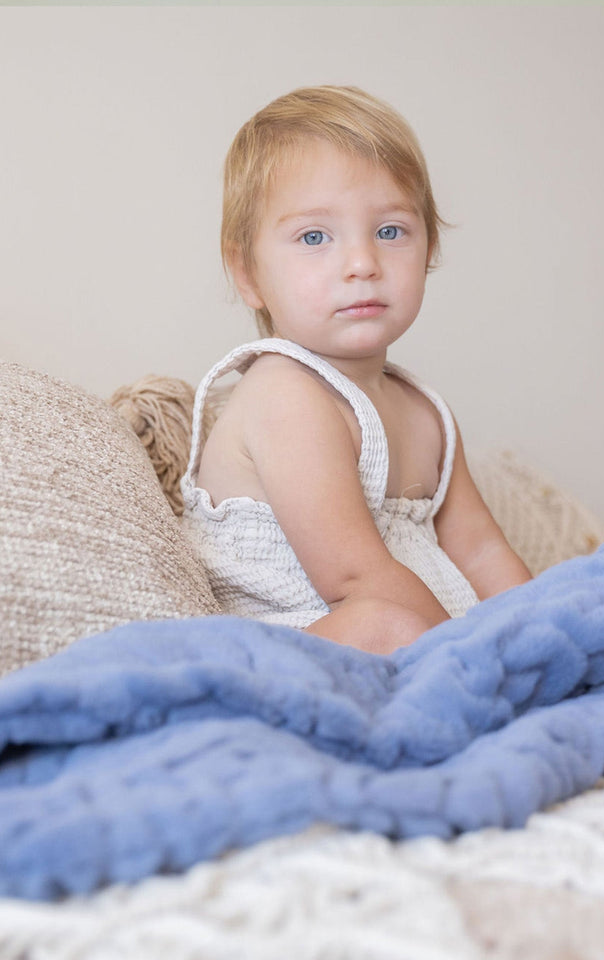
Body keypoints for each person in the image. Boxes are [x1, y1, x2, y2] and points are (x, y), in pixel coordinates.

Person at [180, 85, 531, 654]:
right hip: (288, 641)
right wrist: (481, 658)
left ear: (429, 250)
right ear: (247, 274)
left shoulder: (426, 415)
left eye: (390, 231)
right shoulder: (285, 394)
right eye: (314, 237)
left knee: (579, 597)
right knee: (385, 622)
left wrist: (549, 635)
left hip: (417, 642)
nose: (363, 264)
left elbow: (484, 553)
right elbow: (355, 580)